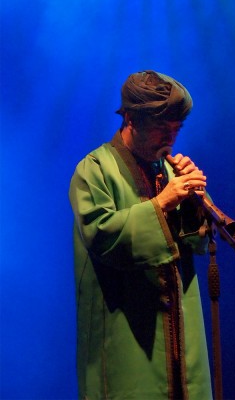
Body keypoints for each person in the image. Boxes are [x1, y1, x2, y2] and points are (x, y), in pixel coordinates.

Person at [69, 70, 213, 400]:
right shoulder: (95, 170)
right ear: (132, 118)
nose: (171, 137)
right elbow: (102, 235)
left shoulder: (168, 170)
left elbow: (198, 242)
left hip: (178, 335)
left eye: (177, 129)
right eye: (163, 127)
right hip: (125, 339)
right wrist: (162, 203)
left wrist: (194, 202)